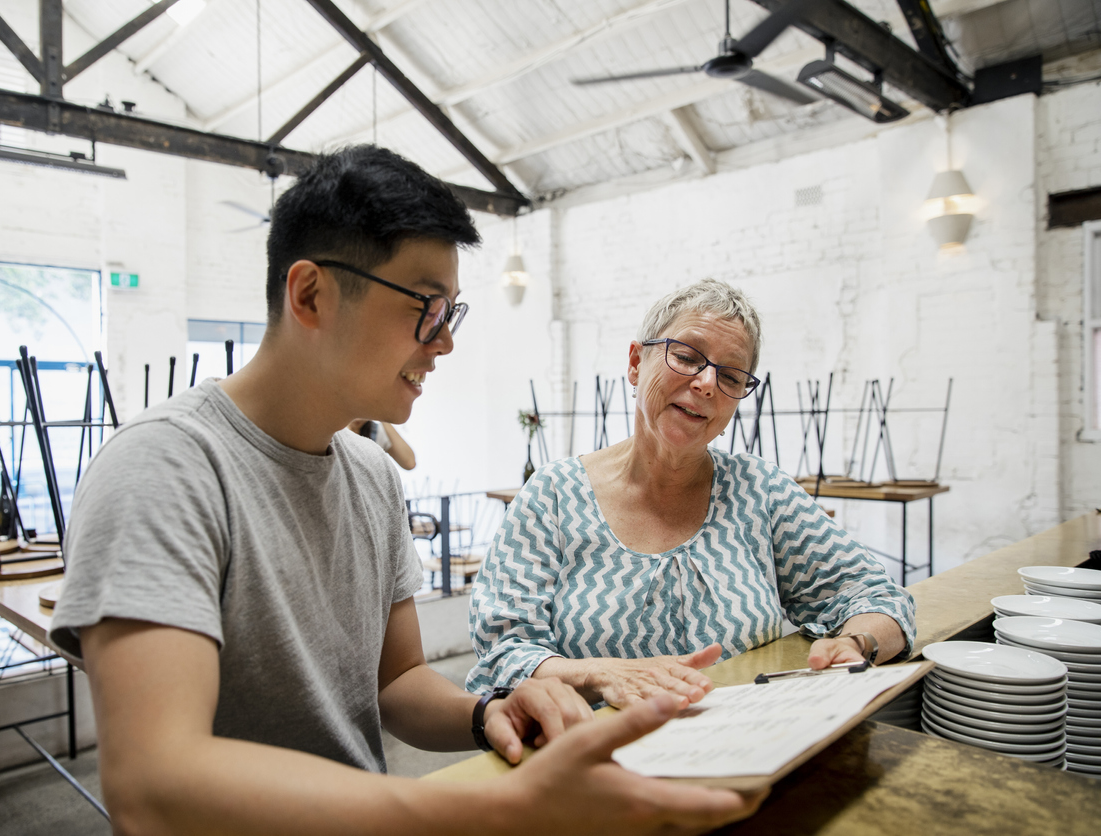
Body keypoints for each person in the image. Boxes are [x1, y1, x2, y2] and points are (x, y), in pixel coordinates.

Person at [49, 147, 764, 836]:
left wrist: (490, 711)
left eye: (453, 312)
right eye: (427, 306)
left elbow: (396, 684)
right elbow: (155, 791)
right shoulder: (164, 467)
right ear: (311, 294)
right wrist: (500, 812)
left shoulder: (369, 476)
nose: (444, 342)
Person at [468, 279, 916, 708]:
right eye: (686, 356)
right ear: (635, 362)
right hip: (595, 760)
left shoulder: (760, 491)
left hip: (745, 750)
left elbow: (877, 595)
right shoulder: (554, 497)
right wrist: (601, 674)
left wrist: (858, 642)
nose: (705, 383)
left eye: (731, 375)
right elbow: (504, 655)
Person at [346, 418, 416, 469]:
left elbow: (409, 463)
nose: (359, 419)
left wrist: (382, 417)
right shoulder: (337, 432)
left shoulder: (375, 432)